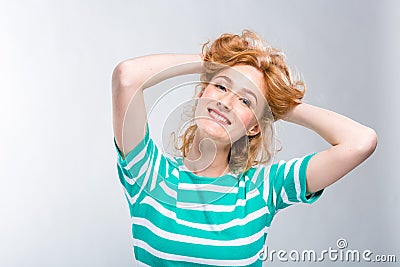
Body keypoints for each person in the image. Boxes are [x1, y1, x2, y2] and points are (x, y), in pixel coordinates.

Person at [111, 30, 377, 266]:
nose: (226, 102)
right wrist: (211, 63)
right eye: (220, 86)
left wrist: (278, 104)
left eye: (245, 101)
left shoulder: (264, 188)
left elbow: (361, 141)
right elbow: (127, 76)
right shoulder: (149, 174)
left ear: (254, 127)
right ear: (202, 93)